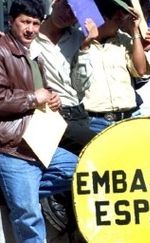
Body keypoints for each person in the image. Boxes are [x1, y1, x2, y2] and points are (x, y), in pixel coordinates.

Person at [0, 0, 78, 242]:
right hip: (13, 146)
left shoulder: (32, 52)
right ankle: (18, 194)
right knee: (28, 214)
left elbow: (38, 88)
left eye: (35, 23)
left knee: (81, 170)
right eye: (24, 22)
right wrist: (35, 97)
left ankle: (17, 192)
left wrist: (51, 97)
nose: (30, 29)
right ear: (11, 21)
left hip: (39, 142)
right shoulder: (2, 49)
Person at [71, 0, 150, 133]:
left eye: (124, 13)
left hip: (130, 117)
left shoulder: (125, 40)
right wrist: (85, 46)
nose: (121, 18)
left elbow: (141, 70)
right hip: (96, 122)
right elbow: (78, 85)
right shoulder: (78, 42)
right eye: (115, 14)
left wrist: (135, 32)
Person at [31, 0, 97, 156]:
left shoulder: (78, 38)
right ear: (55, 2)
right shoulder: (29, 34)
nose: (67, 14)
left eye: (74, 12)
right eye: (66, 6)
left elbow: (81, 86)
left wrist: (85, 47)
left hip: (78, 113)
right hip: (50, 113)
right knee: (97, 146)